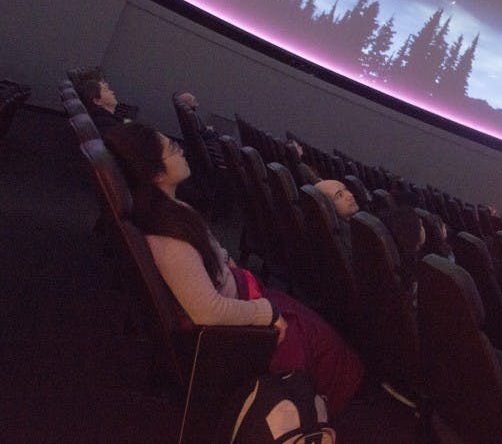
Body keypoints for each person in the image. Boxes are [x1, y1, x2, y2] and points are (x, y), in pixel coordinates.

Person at [103, 122, 363, 415]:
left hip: (241, 292)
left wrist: (227, 262)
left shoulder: (175, 213)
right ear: (157, 173)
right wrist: (268, 313)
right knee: (322, 347)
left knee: (319, 332)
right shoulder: (169, 238)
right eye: (174, 150)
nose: (183, 150)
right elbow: (208, 312)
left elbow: (211, 250)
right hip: (231, 330)